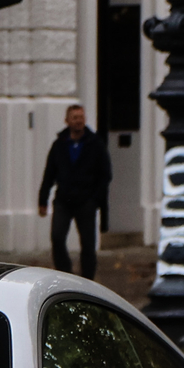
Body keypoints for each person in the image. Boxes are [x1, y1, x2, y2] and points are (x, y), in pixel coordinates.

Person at [36, 104, 112, 279]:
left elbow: (105, 174)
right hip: (63, 200)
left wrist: (95, 198)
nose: (78, 121)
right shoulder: (59, 145)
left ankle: (87, 280)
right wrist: (43, 200)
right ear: (67, 121)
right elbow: (49, 173)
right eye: (75, 118)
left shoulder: (95, 144)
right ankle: (65, 275)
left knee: (88, 244)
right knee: (57, 237)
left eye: (81, 117)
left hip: (86, 201)